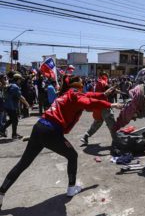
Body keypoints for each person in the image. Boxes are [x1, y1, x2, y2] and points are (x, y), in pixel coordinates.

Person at [0, 75, 123, 210]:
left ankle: (1, 193)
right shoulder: (75, 96)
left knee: (23, 163)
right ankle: (71, 188)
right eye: (82, 82)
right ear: (78, 84)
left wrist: (104, 94)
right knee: (73, 156)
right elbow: (89, 102)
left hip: (39, 127)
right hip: (51, 131)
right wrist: (111, 104)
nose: (83, 84)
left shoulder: (67, 93)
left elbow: (90, 95)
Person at [80, 72, 118, 146]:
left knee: (96, 123)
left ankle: (85, 136)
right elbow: (108, 90)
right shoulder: (103, 82)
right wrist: (115, 88)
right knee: (112, 124)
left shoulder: (96, 83)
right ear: (104, 76)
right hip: (104, 107)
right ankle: (116, 141)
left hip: (97, 106)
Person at [0, 74, 30, 139]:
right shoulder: (15, 86)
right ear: (18, 79)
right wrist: (27, 104)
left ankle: (2, 130)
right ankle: (14, 134)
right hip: (12, 106)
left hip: (7, 105)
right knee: (15, 120)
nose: (21, 81)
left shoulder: (10, 84)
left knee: (12, 119)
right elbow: (20, 97)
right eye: (20, 79)